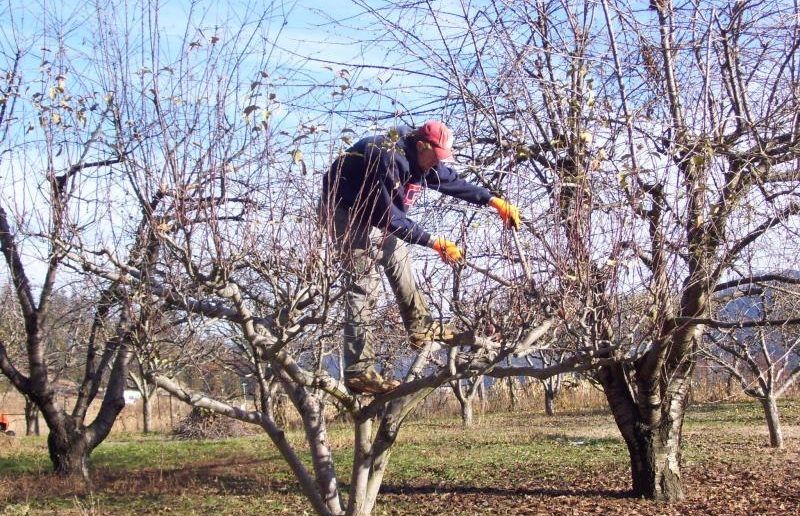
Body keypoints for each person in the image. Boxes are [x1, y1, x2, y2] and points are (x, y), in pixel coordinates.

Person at [321, 120, 520, 394]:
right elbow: (388, 217)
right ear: (421, 145)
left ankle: (420, 328)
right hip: (344, 211)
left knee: (400, 259)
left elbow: (451, 181)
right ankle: (358, 372)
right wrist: (433, 242)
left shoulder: (423, 160)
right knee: (364, 284)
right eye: (434, 157)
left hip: (376, 213)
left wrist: (491, 200)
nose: (435, 164)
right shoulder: (385, 156)